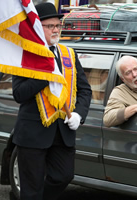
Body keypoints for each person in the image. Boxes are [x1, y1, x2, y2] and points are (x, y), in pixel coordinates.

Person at [12, 3, 92, 200]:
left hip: (63, 131)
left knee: (64, 176)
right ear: (39, 28)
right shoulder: (25, 54)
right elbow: (19, 94)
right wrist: (44, 76)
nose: (56, 29)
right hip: (33, 134)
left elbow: (85, 90)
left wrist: (79, 114)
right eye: (50, 26)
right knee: (31, 188)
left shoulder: (69, 54)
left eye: (58, 25)